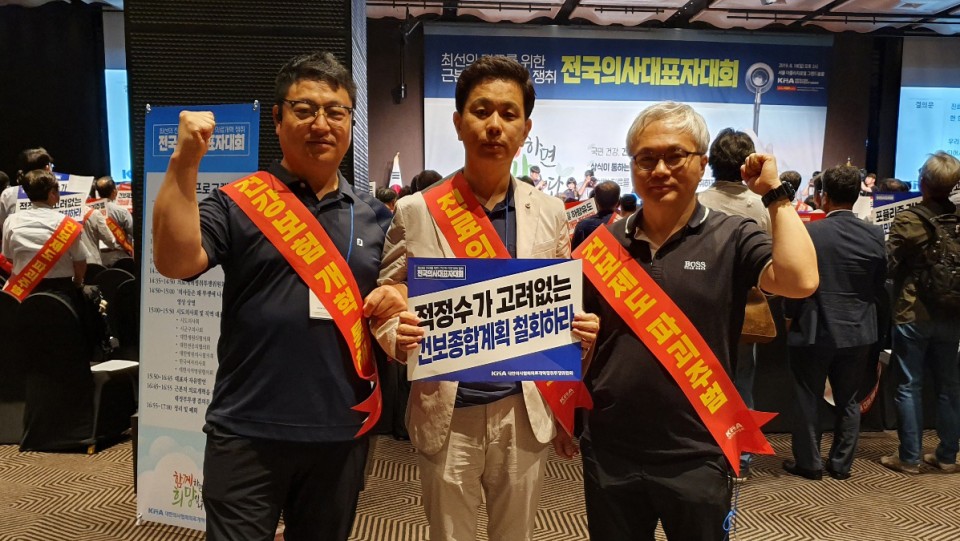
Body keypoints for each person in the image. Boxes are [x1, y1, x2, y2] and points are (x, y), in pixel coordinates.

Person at [151, 51, 404, 541]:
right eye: (304, 109)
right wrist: (184, 162)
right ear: (277, 117)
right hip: (247, 428)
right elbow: (175, 261)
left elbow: (396, 298)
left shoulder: (375, 216)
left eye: (335, 111)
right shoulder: (238, 201)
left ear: (350, 120)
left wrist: (398, 297)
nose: (321, 124)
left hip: (342, 429)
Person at [374, 55, 599, 541]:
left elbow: (562, 301)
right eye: (481, 111)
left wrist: (580, 326)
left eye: (508, 113)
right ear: (459, 123)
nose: (494, 125)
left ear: (525, 129)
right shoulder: (416, 211)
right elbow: (387, 297)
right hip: (445, 409)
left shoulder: (550, 212)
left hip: (524, 409)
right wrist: (396, 335)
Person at [579, 101, 817, 541]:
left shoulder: (732, 235)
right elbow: (579, 337)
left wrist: (775, 194)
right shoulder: (603, 245)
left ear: (702, 163)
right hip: (611, 449)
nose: (660, 170)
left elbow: (800, 280)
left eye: (675, 156)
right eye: (646, 158)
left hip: (699, 451)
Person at [782, 165, 886, 481]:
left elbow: (797, 283)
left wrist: (788, 318)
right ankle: (841, 464)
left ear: (823, 196)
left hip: (814, 328)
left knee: (807, 397)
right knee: (849, 400)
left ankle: (809, 463)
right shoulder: (875, 234)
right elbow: (878, 284)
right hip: (859, 330)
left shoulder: (810, 233)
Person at [696, 127, 770, 480]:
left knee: (699, 381)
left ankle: (703, 451)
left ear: (710, 162)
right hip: (746, 309)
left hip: (698, 307)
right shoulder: (761, 206)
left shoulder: (698, 201)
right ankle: (741, 457)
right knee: (742, 384)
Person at [881, 151, 960, 475]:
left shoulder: (908, 220)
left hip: (913, 312)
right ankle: (947, 456)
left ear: (923, 182)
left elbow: (888, 262)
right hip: (953, 312)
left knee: (908, 385)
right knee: (949, 386)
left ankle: (910, 457)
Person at [2, 169, 88, 301]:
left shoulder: (10, 220)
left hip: (22, 293)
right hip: (61, 294)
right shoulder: (68, 223)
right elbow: (80, 261)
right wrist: (77, 283)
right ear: (52, 193)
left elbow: (9, 257)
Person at [94, 176, 135, 266]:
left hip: (98, 257)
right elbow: (133, 232)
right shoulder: (122, 212)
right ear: (114, 192)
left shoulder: (90, 210)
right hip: (119, 257)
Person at [572, 180, 620, 250]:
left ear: (596, 201)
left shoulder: (583, 225)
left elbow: (574, 253)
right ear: (618, 202)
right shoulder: (624, 226)